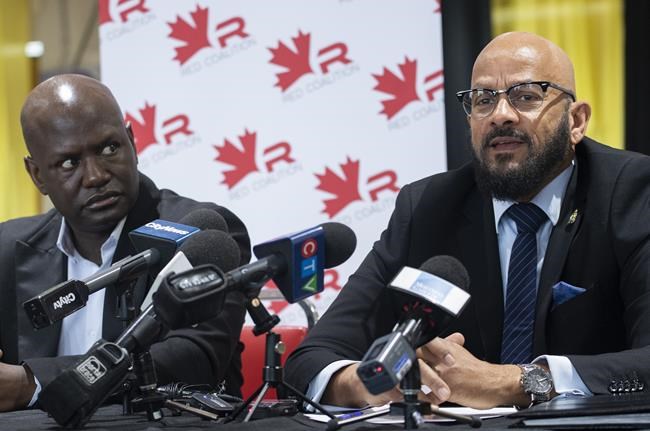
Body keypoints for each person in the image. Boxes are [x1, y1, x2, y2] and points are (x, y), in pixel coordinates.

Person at [285, 31, 650, 409]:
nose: (500, 115)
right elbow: (311, 360)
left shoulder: (633, 193)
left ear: (576, 121)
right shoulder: (427, 207)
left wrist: (514, 382)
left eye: (527, 96)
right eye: (483, 100)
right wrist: (369, 385)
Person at [0, 74, 251, 411]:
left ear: (132, 142)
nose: (96, 176)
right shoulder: (7, 249)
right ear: (37, 175)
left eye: (109, 148)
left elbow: (192, 359)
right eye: (69, 163)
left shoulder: (202, 233)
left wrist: (32, 383)